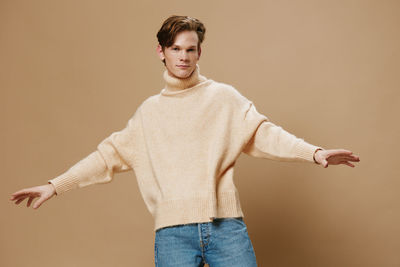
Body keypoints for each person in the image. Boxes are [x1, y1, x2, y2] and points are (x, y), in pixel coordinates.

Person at [10, 15, 360, 267]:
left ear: (199, 53)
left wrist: (313, 153)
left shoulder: (223, 98)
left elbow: (264, 134)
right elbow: (106, 157)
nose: (183, 57)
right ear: (161, 51)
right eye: (175, 49)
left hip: (227, 229)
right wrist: (54, 186)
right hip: (173, 234)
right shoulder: (149, 114)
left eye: (190, 49)